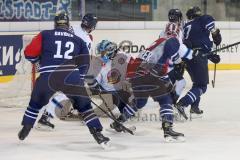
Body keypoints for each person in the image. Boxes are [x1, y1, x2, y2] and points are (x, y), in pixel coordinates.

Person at [18, 12, 110, 148]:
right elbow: (85, 61)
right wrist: (80, 78)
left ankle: (26, 127)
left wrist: (37, 61)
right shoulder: (78, 39)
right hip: (71, 76)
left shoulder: (45, 34)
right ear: (68, 25)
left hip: (48, 76)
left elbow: (29, 53)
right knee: (85, 107)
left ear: (55, 23)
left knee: (35, 104)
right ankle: (98, 134)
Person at [108, 36, 186, 142]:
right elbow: (160, 67)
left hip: (136, 77)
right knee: (165, 100)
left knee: (140, 102)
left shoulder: (151, 48)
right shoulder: (166, 49)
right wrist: (169, 86)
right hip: (146, 75)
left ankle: (119, 121)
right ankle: (168, 129)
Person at [37, 13, 98, 129]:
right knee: (64, 94)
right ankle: (46, 117)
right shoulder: (86, 40)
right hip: (69, 69)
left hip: (54, 63)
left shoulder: (72, 27)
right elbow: (84, 60)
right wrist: (87, 77)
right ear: (92, 26)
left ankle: (82, 114)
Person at [175, 6, 221, 119]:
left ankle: (194, 107)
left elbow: (197, 44)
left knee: (197, 83)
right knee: (202, 86)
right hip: (198, 57)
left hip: (188, 56)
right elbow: (212, 35)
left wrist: (210, 56)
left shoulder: (186, 26)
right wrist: (216, 35)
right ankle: (183, 103)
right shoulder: (203, 19)